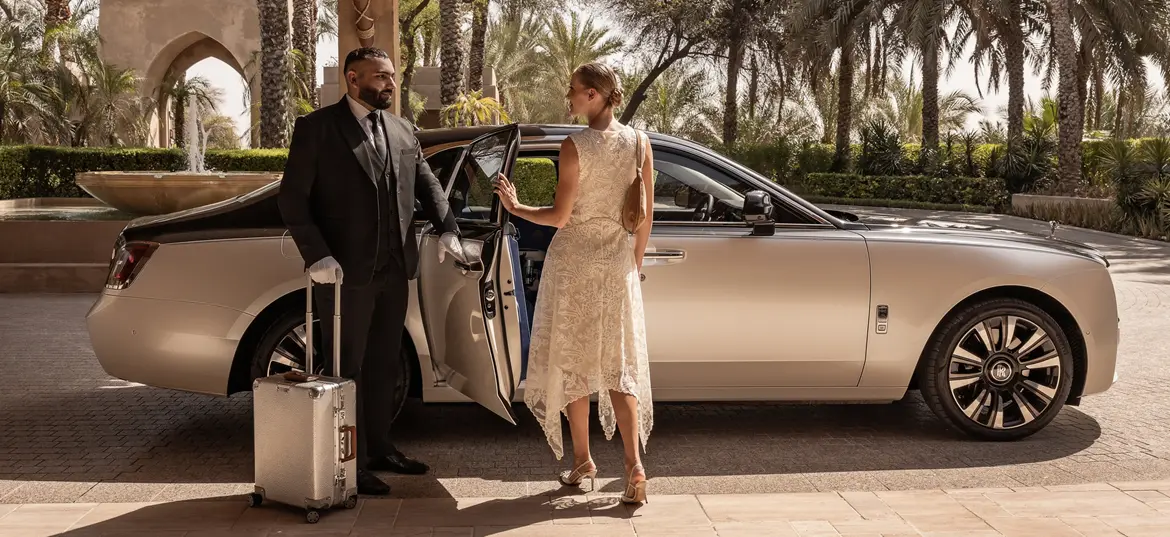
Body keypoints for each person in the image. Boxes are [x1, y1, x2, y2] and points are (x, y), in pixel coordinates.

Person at [278, 46, 466, 496]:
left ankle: (381, 449)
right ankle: (348, 460)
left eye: (392, 76)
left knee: (386, 365)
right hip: (343, 273)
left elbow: (428, 185)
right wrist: (316, 254)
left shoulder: (402, 130)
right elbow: (292, 199)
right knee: (346, 367)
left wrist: (448, 230)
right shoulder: (317, 129)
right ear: (352, 78)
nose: (390, 83)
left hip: (395, 267)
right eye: (381, 76)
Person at [493, 62, 654, 504]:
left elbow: (560, 218)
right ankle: (633, 467)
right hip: (616, 264)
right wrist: (631, 268)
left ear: (595, 95)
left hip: (575, 263)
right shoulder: (641, 142)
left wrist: (518, 207)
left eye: (575, 90)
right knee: (618, 367)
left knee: (574, 365)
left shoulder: (574, 146)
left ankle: (583, 459)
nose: (569, 96)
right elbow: (644, 217)